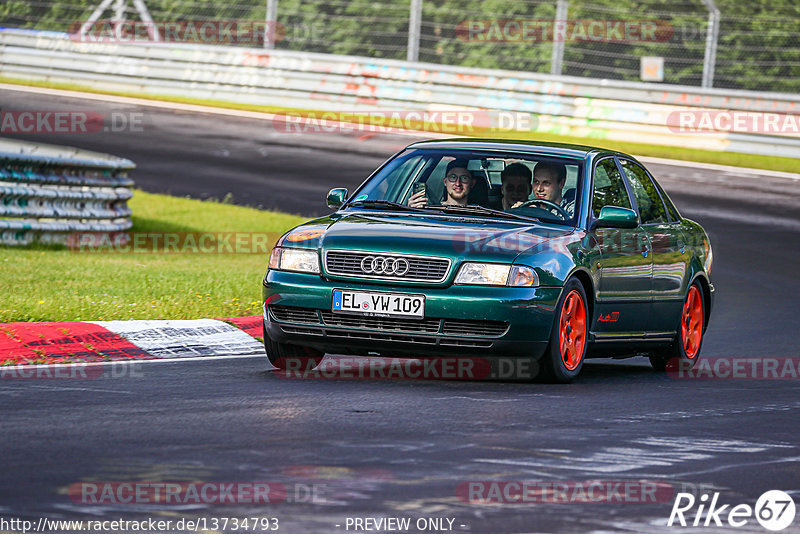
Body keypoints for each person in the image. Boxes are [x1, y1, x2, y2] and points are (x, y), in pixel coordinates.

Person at [408, 158, 474, 208]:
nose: (458, 183)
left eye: (464, 178)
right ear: (445, 182)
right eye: (453, 177)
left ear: (472, 183)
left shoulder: (480, 213)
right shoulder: (430, 210)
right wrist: (412, 211)